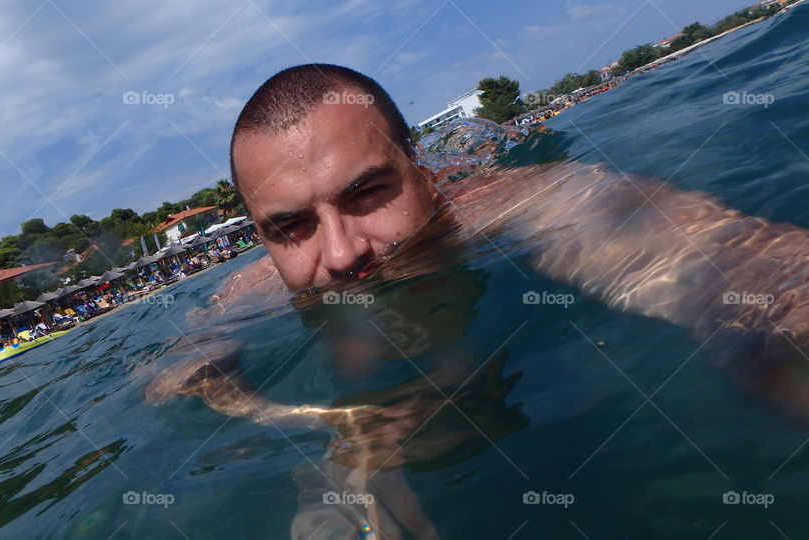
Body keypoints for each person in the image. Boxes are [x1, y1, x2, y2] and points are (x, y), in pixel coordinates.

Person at [147, 63, 809, 536]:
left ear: (425, 175)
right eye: (291, 226)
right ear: (262, 237)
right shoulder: (253, 287)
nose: (342, 251)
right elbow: (169, 371)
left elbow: (727, 268)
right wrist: (308, 417)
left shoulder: (512, 202)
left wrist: (778, 309)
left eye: (367, 192)